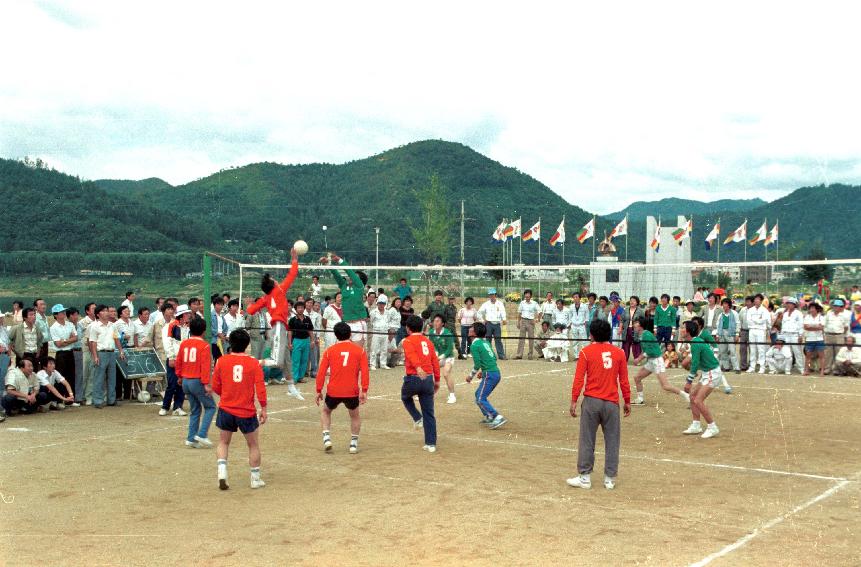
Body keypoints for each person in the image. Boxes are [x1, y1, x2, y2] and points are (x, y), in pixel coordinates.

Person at [567, 319, 630, 491]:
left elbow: (579, 379)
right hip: (611, 403)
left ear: (592, 334)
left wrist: (574, 400)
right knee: (612, 440)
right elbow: (624, 380)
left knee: (587, 439)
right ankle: (609, 479)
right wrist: (627, 400)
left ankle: (585, 477)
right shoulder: (619, 353)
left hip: (591, 402)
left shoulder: (586, 352)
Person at [213, 329, 268, 490]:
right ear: (247, 344)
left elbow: (216, 386)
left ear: (230, 343)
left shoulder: (221, 361)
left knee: (223, 441)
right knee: (253, 444)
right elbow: (260, 388)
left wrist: (227, 394)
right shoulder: (253, 363)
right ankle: (255, 478)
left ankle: (222, 472)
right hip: (246, 410)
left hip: (226, 408)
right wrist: (263, 408)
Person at [246, 248, 300, 398]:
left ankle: (291, 387)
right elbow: (292, 274)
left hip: (277, 326)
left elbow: (251, 310)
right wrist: (294, 259)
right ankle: (252, 362)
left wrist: (249, 306)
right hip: (278, 327)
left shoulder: (266, 298)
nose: (276, 281)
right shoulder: (280, 290)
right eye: (274, 280)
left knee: (287, 359)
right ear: (273, 284)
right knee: (277, 360)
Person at [315, 322, 370, 454]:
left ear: (335, 335)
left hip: (334, 390)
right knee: (355, 416)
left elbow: (321, 372)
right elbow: (365, 371)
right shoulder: (360, 351)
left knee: (326, 411)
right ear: (350, 334)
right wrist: (364, 390)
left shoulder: (329, 351)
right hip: (351, 390)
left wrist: (318, 390)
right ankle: (353, 444)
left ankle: (327, 438)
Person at [400, 315, 441, 453]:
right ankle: (431, 444)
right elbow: (434, 361)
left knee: (405, 397)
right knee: (429, 412)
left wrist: (417, 367)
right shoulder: (427, 341)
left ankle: (417, 418)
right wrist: (438, 379)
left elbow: (411, 355)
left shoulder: (407, 340)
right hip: (428, 378)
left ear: (408, 328)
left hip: (414, 377)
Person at [176, 317, 216, 448]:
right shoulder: (204, 345)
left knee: (195, 410)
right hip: (197, 381)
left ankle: (191, 438)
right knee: (210, 407)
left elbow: (179, 362)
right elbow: (205, 367)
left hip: (186, 381)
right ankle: (202, 434)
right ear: (204, 331)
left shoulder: (184, 343)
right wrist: (207, 384)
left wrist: (180, 376)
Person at [631, 318, 689, 406]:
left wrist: (639, 359)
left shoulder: (646, 334)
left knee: (665, 386)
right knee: (637, 378)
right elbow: (646, 349)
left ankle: (686, 395)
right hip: (651, 361)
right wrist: (639, 357)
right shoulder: (642, 335)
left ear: (640, 326)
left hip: (656, 361)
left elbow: (650, 351)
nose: (634, 325)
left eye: (636, 323)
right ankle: (640, 399)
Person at [681, 320, 722, 439]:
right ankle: (696, 425)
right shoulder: (695, 342)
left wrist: (689, 381)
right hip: (707, 372)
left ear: (688, 331)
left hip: (712, 373)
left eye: (683, 327)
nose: (681, 329)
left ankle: (712, 426)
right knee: (692, 397)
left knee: (698, 400)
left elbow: (694, 364)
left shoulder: (696, 343)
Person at [320, 253, 369, 348]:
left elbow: (349, 272)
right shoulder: (344, 286)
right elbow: (336, 275)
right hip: (346, 324)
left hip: (358, 324)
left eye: (355, 276)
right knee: (345, 350)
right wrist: (328, 264)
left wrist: (339, 260)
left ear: (360, 280)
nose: (350, 277)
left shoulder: (359, 286)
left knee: (356, 352)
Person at [466, 322, 507, 429]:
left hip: (490, 374)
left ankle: (496, 416)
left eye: (472, 328)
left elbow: (477, 364)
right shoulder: (485, 342)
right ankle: (489, 416)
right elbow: (492, 358)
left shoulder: (474, 345)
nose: (469, 329)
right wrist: (483, 371)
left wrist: (470, 376)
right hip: (495, 373)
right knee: (478, 395)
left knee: (480, 398)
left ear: (474, 333)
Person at [88, 304, 126, 408]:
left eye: (107, 310)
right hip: (101, 353)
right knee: (99, 378)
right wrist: (95, 356)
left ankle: (111, 400)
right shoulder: (94, 326)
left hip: (112, 352)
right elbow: (93, 342)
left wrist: (121, 351)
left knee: (112, 377)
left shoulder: (112, 325)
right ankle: (98, 401)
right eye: (104, 311)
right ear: (98, 314)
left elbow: (116, 339)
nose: (107, 313)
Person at [159, 303, 188, 416]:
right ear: (181, 315)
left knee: (181, 383)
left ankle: (178, 406)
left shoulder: (186, 327)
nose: (188, 315)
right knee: (172, 383)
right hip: (174, 358)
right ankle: (165, 406)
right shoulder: (170, 326)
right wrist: (171, 357)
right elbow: (167, 343)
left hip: (183, 359)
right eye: (186, 314)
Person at [49, 303, 78, 398]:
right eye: (61, 312)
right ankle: (61, 398)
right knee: (61, 376)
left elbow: (75, 338)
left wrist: (65, 341)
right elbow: (58, 344)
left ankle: (71, 398)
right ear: (56, 315)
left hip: (70, 352)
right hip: (61, 354)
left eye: (64, 311)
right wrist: (69, 340)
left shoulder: (70, 324)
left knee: (71, 375)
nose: (64, 313)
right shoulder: (54, 327)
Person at [287, 300, 314, 397]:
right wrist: (290, 343)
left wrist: (312, 340)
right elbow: (289, 332)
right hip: (297, 341)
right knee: (295, 360)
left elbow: (310, 330)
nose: (300, 309)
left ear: (304, 309)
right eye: (298, 308)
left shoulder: (308, 319)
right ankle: (294, 378)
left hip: (306, 341)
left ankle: (301, 377)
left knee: (304, 360)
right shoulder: (292, 320)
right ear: (296, 309)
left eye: (302, 307)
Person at [429, 314, 457, 404]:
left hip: (448, 357)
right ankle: (427, 393)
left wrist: (440, 357)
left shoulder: (448, 333)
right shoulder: (431, 332)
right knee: (426, 371)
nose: (435, 323)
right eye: (434, 321)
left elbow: (449, 349)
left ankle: (452, 395)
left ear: (442, 324)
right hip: (438, 357)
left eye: (438, 321)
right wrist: (436, 354)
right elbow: (432, 345)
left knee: (446, 373)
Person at [8, 307, 45, 371]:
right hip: (23, 355)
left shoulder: (37, 328)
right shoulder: (17, 328)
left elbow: (40, 340)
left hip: (34, 355)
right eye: (31, 315)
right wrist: (15, 351)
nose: (33, 317)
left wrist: (38, 351)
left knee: (34, 374)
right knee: (22, 376)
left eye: (34, 314)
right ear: (25, 317)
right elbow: (9, 340)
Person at [476, 288, 507, 359]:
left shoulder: (500, 303)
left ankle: (501, 355)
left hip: (497, 324)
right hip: (488, 324)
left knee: (498, 340)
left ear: (495, 295)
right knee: (488, 340)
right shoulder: (485, 304)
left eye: (493, 294)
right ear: (489, 296)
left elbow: (503, 312)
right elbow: (479, 313)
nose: (491, 296)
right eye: (490, 295)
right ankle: (488, 355)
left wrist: (504, 319)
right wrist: (482, 320)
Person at [823, 299, 850, 374]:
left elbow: (846, 327)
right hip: (828, 335)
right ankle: (827, 368)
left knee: (838, 353)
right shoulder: (828, 313)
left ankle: (836, 369)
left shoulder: (844, 315)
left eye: (838, 306)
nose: (836, 307)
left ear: (841, 307)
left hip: (839, 335)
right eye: (835, 306)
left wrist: (842, 335)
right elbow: (824, 324)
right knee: (828, 353)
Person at [778, 297, 804, 374]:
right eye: (788, 303)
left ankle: (801, 368)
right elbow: (783, 325)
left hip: (794, 335)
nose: (788, 305)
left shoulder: (798, 313)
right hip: (786, 334)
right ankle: (787, 369)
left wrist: (800, 335)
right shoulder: (785, 314)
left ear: (794, 305)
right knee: (786, 352)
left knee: (797, 352)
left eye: (790, 303)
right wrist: (781, 336)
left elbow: (801, 325)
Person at [745, 293, 770, 373]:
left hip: (761, 331)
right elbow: (749, 321)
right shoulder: (750, 310)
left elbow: (765, 321)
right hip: (752, 330)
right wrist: (758, 320)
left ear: (761, 301)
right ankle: (752, 366)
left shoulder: (764, 310)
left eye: (758, 299)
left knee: (761, 349)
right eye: (755, 299)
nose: (756, 301)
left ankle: (762, 367)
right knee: (752, 349)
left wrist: (755, 320)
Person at [715, 298, 741, 374]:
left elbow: (737, 323)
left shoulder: (734, 313)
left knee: (733, 351)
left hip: (730, 333)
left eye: (726, 304)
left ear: (729, 305)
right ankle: (726, 367)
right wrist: (717, 335)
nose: (724, 305)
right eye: (723, 304)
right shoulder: (721, 315)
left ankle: (736, 368)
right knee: (723, 351)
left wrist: (737, 334)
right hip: (722, 333)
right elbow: (718, 325)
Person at [368, 297, 392, 370]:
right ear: (377, 304)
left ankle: (383, 364)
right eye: (380, 303)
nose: (381, 305)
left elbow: (388, 321)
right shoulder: (373, 312)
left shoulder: (387, 312)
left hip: (385, 332)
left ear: (385, 304)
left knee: (384, 348)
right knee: (374, 348)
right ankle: (372, 364)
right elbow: (371, 321)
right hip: (376, 332)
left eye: (383, 304)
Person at [515, 289, 540, 360]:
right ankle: (519, 354)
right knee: (521, 338)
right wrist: (518, 322)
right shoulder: (522, 303)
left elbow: (540, 311)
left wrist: (537, 319)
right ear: (524, 296)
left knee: (531, 339)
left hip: (531, 322)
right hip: (523, 320)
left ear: (531, 296)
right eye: (526, 296)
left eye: (528, 296)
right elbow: (519, 313)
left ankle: (530, 354)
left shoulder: (534, 303)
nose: (527, 297)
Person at [803, 303, 826, 376]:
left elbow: (821, 327)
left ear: (817, 309)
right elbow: (806, 327)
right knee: (808, 356)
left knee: (821, 356)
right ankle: (806, 370)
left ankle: (822, 370)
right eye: (810, 308)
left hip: (819, 339)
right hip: (809, 338)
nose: (811, 310)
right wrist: (816, 326)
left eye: (813, 308)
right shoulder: (807, 317)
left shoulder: (821, 317)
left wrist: (811, 327)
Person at [621, 296, 644, 362]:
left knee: (636, 344)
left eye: (633, 300)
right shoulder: (626, 310)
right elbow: (622, 320)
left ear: (637, 302)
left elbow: (643, 321)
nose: (632, 302)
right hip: (626, 330)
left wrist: (641, 330)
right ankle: (624, 360)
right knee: (625, 345)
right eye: (631, 300)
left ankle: (637, 360)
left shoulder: (640, 311)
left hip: (636, 330)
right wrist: (620, 328)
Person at [569, 293, 591, 361]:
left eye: (576, 297)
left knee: (584, 341)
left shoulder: (584, 306)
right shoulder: (571, 306)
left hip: (582, 325)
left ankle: (585, 355)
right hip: (574, 325)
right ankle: (576, 356)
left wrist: (586, 322)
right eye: (574, 297)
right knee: (575, 341)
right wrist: (570, 323)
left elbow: (587, 315)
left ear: (580, 298)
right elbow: (570, 315)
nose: (575, 298)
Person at [443, 294, 463, 359]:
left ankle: (460, 353)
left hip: (453, 324)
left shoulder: (454, 307)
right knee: (447, 339)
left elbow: (454, 317)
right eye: (450, 299)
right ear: (448, 299)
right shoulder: (445, 307)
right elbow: (443, 316)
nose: (451, 300)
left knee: (456, 339)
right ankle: (446, 354)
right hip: (447, 324)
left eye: (452, 299)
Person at [737, 296, 753, 370]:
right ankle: (743, 365)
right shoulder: (743, 310)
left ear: (752, 302)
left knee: (752, 349)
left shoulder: (754, 310)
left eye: (748, 301)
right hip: (743, 331)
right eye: (746, 301)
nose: (746, 303)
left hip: (752, 331)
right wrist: (739, 330)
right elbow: (739, 320)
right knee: (742, 349)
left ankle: (751, 365)